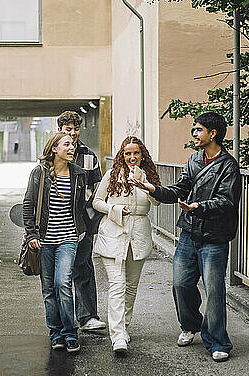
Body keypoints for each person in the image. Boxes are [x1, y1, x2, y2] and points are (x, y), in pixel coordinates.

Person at [130, 112, 241, 362]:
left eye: (198, 130)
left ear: (213, 134)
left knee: (214, 290)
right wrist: (153, 189)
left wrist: (199, 207)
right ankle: (190, 325)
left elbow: (226, 201)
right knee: (181, 283)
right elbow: (180, 189)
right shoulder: (193, 159)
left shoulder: (228, 165)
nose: (194, 134)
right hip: (190, 233)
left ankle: (218, 341)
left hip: (214, 237)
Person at [93, 136, 160, 355]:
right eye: (128, 153)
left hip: (138, 234)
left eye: (136, 153)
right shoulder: (112, 175)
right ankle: (118, 335)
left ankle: (125, 325)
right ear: (122, 154)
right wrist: (114, 210)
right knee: (117, 284)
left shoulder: (147, 175)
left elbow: (158, 201)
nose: (132, 157)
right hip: (113, 232)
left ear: (142, 155)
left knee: (131, 286)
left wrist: (144, 183)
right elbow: (97, 201)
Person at [22, 132, 87, 353]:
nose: (72, 148)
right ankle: (55, 333)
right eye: (67, 144)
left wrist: (84, 230)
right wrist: (31, 235)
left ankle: (70, 332)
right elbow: (28, 204)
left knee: (63, 284)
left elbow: (81, 207)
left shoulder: (78, 174)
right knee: (48, 289)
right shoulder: (40, 174)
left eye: (73, 144)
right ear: (54, 149)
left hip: (68, 238)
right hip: (44, 241)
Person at [57, 111, 106, 331]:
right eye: (68, 130)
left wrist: (94, 222)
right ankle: (61, 320)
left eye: (76, 129)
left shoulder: (89, 156)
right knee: (58, 271)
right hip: (58, 219)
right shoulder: (52, 154)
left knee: (83, 266)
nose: (73, 133)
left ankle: (87, 317)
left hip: (84, 220)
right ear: (60, 130)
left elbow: (97, 190)